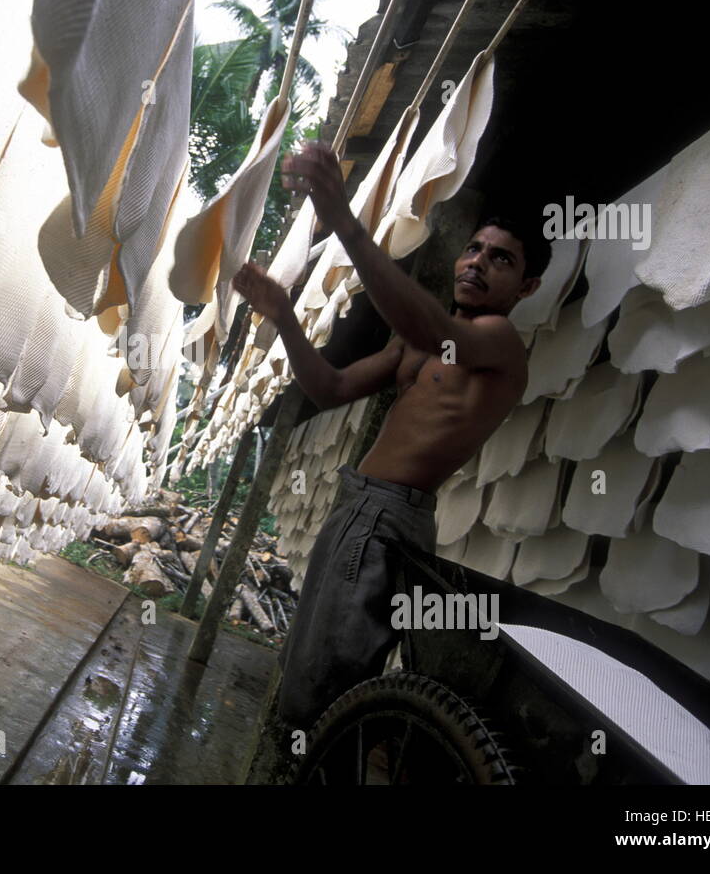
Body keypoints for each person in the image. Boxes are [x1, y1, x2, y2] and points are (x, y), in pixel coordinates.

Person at [231, 140, 551, 728]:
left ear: (526, 287)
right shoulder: (417, 340)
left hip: (388, 516)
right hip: (356, 505)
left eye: (501, 259)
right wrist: (283, 321)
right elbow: (329, 387)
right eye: (474, 249)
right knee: (310, 669)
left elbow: (426, 322)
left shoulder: (499, 343)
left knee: (324, 692)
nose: (477, 262)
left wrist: (345, 221)